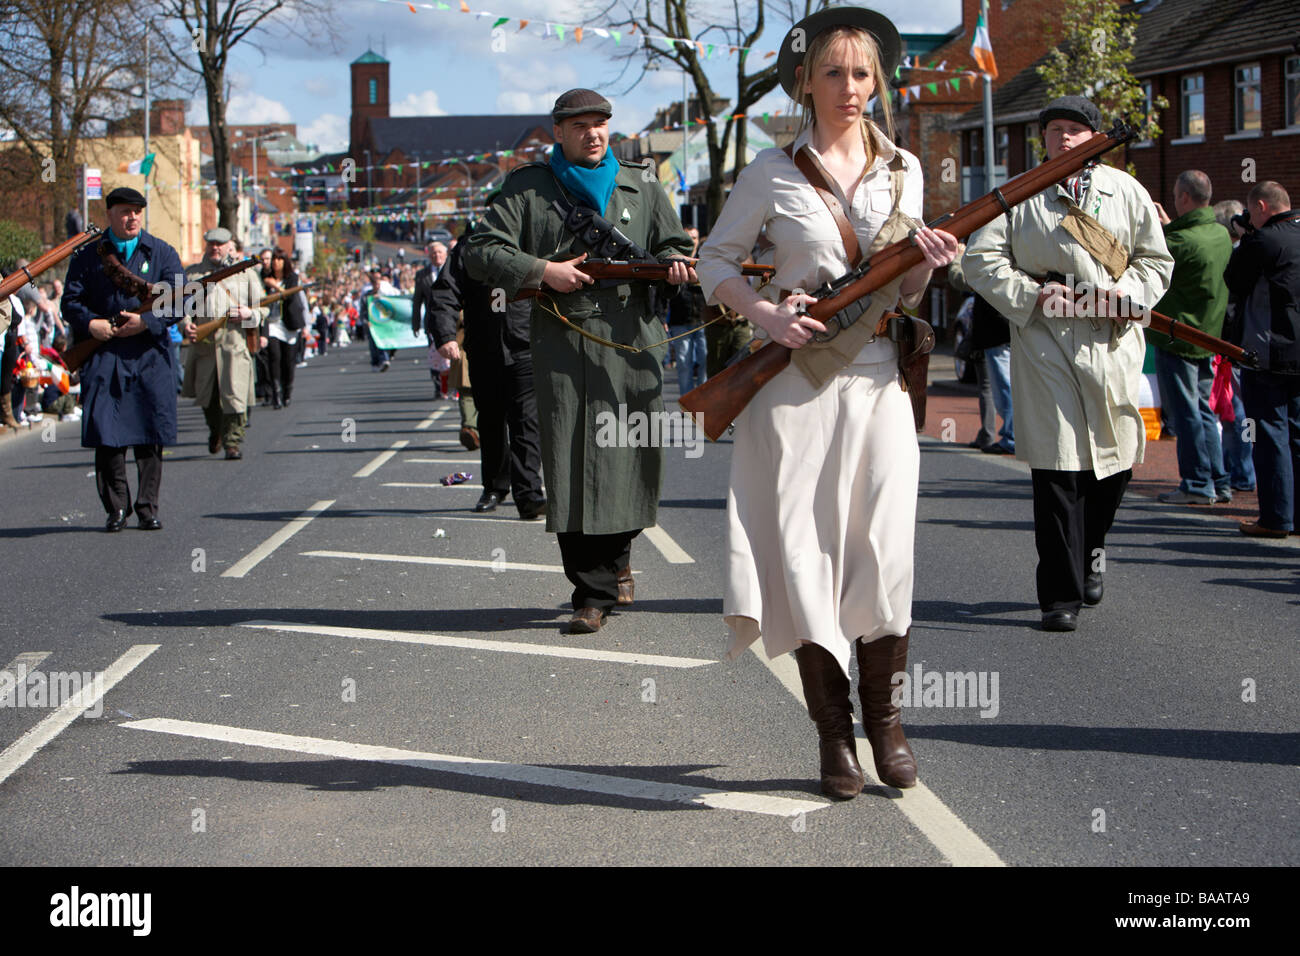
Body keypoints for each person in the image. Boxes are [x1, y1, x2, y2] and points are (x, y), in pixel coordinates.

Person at [696, 7, 958, 798]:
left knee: (885, 552)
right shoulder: (770, 172)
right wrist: (768, 313)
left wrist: (930, 265)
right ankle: (834, 739)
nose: (850, 87)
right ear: (806, 82)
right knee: (806, 560)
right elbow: (715, 260)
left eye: (863, 73)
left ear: (879, 83)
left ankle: (888, 723)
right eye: (834, 72)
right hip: (792, 387)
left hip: (879, 379)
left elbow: (905, 289)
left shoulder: (907, 170)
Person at [464, 88, 696, 634]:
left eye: (601, 124)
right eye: (581, 126)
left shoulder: (643, 184)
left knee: (631, 459)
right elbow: (480, 252)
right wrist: (545, 271)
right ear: (560, 133)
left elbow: (672, 246)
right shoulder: (528, 189)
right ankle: (590, 594)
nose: (593, 134)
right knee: (571, 465)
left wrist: (676, 265)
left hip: (632, 344)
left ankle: (617, 560)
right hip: (562, 347)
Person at [963, 94, 1173, 632]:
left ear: (1097, 139)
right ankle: (1060, 596)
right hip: (1044, 342)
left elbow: (1155, 259)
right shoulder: (1017, 194)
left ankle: (1090, 552)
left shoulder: (1126, 190)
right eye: (1055, 130)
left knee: (1114, 463)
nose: (1064, 139)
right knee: (1058, 468)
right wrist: (1033, 296)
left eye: (1076, 130)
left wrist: (1126, 293)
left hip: (1112, 340)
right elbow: (980, 259)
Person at [61, 186, 185, 530]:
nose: (132, 218)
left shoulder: (162, 253)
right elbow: (70, 302)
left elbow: (181, 300)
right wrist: (91, 323)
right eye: (125, 212)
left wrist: (146, 322)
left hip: (149, 354)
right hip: (105, 352)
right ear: (110, 215)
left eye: (137, 212)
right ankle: (116, 508)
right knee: (107, 433)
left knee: (149, 433)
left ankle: (148, 507)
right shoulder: (88, 256)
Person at [430, 216, 545, 519]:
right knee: (491, 423)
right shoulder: (469, 247)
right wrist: (444, 336)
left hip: (525, 346)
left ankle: (530, 495)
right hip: (484, 349)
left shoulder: (530, 241)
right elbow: (445, 291)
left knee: (525, 423)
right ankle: (494, 487)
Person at [1149, 170, 1234, 506]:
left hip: (1178, 336)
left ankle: (1197, 483)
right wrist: (1172, 224)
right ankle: (1218, 480)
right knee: (1204, 411)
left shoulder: (1179, 242)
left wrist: (1162, 227)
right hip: (1208, 336)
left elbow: (1160, 253)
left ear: (1184, 197)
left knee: (1186, 414)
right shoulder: (1219, 234)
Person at [1223, 181, 1300, 538]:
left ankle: (1274, 518)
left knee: (1269, 435)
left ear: (1263, 207)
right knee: (1297, 434)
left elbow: (1234, 280)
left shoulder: (1263, 241)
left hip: (1268, 351)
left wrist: (1245, 238)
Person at [180, 227, 268, 460]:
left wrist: (250, 314)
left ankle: (233, 441)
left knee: (235, 396)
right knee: (208, 398)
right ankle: (216, 430)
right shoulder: (193, 275)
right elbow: (181, 308)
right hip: (204, 347)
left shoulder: (244, 273)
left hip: (233, 343)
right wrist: (186, 325)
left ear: (230, 245)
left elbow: (264, 306)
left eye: (220, 244)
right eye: (211, 244)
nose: (215, 248)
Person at [1213, 199, 1257, 494]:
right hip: (1242, 339)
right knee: (1235, 409)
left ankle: (1241, 470)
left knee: (1235, 410)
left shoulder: (1241, 254)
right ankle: (1239, 468)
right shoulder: (1246, 251)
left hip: (1236, 341)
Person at [260, 247, 305, 409]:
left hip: (289, 323)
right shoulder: (264, 277)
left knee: (288, 361)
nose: (276, 263)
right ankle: (275, 394)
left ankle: (287, 391)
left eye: (279, 259)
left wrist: (276, 287)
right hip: (272, 323)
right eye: (274, 259)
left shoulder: (292, 277)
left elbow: (290, 295)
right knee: (274, 358)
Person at [665, 226, 708, 395]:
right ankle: (687, 403)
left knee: (704, 360)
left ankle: (703, 400)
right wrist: (662, 318)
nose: (692, 241)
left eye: (695, 237)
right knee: (684, 362)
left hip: (703, 319)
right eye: (689, 237)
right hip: (680, 320)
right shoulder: (674, 260)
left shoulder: (705, 262)